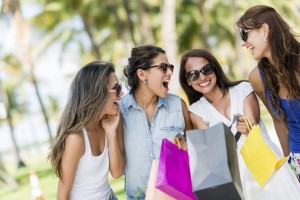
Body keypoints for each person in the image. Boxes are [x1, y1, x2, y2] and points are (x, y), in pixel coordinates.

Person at [179, 48, 300, 200]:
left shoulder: (243, 88)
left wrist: (247, 126)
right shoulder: (196, 111)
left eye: (206, 69)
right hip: (237, 178)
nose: (202, 77)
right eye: (193, 74)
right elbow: (213, 150)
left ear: (215, 69)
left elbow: (253, 125)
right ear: (188, 81)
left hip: (267, 167)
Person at [236, 5, 300, 182]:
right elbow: (279, 121)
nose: (243, 42)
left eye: (245, 34)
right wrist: (291, 167)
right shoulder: (257, 78)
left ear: (265, 30)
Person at [120, 45, 193, 199]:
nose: (170, 72)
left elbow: (195, 151)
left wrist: (188, 147)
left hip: (176, 196)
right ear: (142, 74)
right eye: (163, 67)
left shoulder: (178, 106)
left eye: (170, 67)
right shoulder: (120, 111)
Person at [48, 61, 124, 200]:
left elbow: (117, 173)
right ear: (98, 94)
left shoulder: (112, 122)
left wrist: (111, 134)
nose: (122, 93)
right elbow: (62, 195)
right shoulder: (76, 138)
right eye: (116, 88)